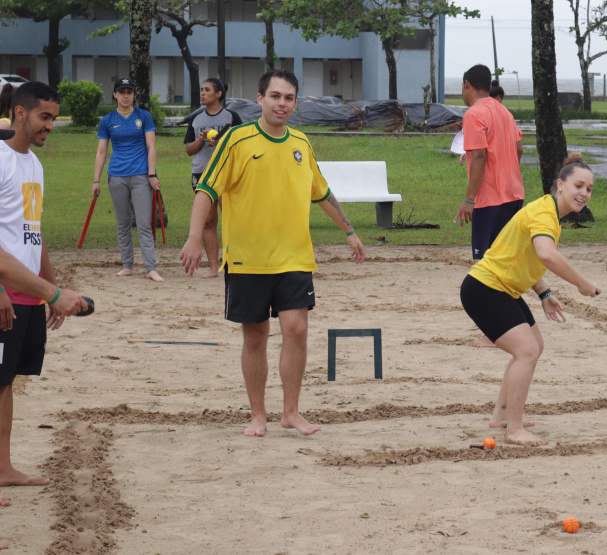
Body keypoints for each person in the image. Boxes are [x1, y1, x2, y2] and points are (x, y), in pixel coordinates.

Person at [179, 69, 365, 438]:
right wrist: (193, 238)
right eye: (276, 96)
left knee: (296, 329)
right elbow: (207, 191)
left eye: (289, 98)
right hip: (248, 258)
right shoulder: (237, 140)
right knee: (255, 337)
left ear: (295, 103)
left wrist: (350, 231)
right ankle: (258, 414)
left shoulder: (301, 143)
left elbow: (321, 192)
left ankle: (291, 412)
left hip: (295, 257)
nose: (282, 103)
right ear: (260, 99)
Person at [460, 153, 601, 447]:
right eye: (578, 186)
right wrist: (581, 283)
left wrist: (544, 293)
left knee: (534, 346)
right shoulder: (544, 213)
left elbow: (523, 255)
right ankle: (515, 429)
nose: (584, 194)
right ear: (560, 185)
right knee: (526, 351)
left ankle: (501, 416)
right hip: (485, 289)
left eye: (588, 189)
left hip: (503, 288)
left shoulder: (549, 212)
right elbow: (546, 254)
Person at [0, 84, 89, 515]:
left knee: (5, 382)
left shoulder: (33, 164)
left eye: (54, 118)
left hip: (28, 295)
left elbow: (34, 233)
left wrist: (51, 290)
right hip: (3, 292)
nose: (50, 126)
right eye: (44, 118)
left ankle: (3, 467)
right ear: (20, 113)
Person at [453, 64, 525, 347]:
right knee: (504, 263)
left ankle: (493, 332)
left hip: (490, 200)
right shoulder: (502, 110)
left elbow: (481, 157)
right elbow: (518, 148)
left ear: (467, 85)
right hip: (513, 194)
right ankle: (505, 327)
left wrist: (469, 200)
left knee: (486, 267)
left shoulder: (475, 113)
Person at [92, 77, 163, 282]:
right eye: (121, 92)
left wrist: (151, 174)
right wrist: (96, 180)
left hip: (141, 176)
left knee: (143, 223)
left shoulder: (144, 116)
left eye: (129, 92)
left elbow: (151, 147)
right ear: (114, 94)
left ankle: (151, 267)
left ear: (134, 94)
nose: (125, 96)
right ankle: (127, 265)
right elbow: (101, 151)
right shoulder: (107, 120)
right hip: (117, 176)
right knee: (123, 223)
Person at [184, 78, 242, 279]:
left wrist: (222, 142)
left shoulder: (231, 117)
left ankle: (236, 264)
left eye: (207, 90)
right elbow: (188, 150)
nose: (202, 93)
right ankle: (212, 268)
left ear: (218, 94)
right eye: (201, 90)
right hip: (202, 174)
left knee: (232, 220)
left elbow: (241, 147)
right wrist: (200, 139)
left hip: (227, 174)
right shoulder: (196, 119)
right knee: (209, 222)